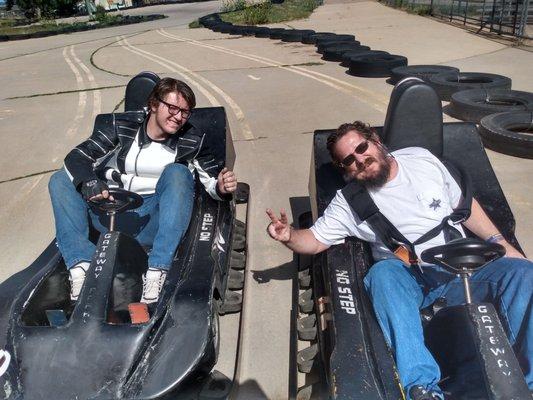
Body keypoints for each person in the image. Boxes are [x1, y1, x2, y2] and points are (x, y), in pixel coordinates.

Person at [266, 121, 532, 400]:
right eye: (349, 160)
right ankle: (423, 387)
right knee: (382, 274)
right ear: (345, 169)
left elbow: (464, 205)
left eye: (361, 147)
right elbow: (315, 239)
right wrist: (288, 235)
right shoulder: (349, 202)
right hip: (411, 278)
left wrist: (499, 242)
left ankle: (524, 382)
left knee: (523, 273)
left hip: (463, 266)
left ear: (376, 142)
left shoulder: (421, 159)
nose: (360, 159)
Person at [49, 77, 237, 304]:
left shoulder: (192, 139)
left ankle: (157, 270)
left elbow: (210, 182)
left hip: (153, 221)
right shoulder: (121, 127)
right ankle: (81, 267)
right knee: (60, 179)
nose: (178, 117)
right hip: (107, 212)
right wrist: (89, 182)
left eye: (185, 112)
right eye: (173, 108)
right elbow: (78, 156)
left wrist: (220, 187)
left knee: (178, 172)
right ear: (154, 104)